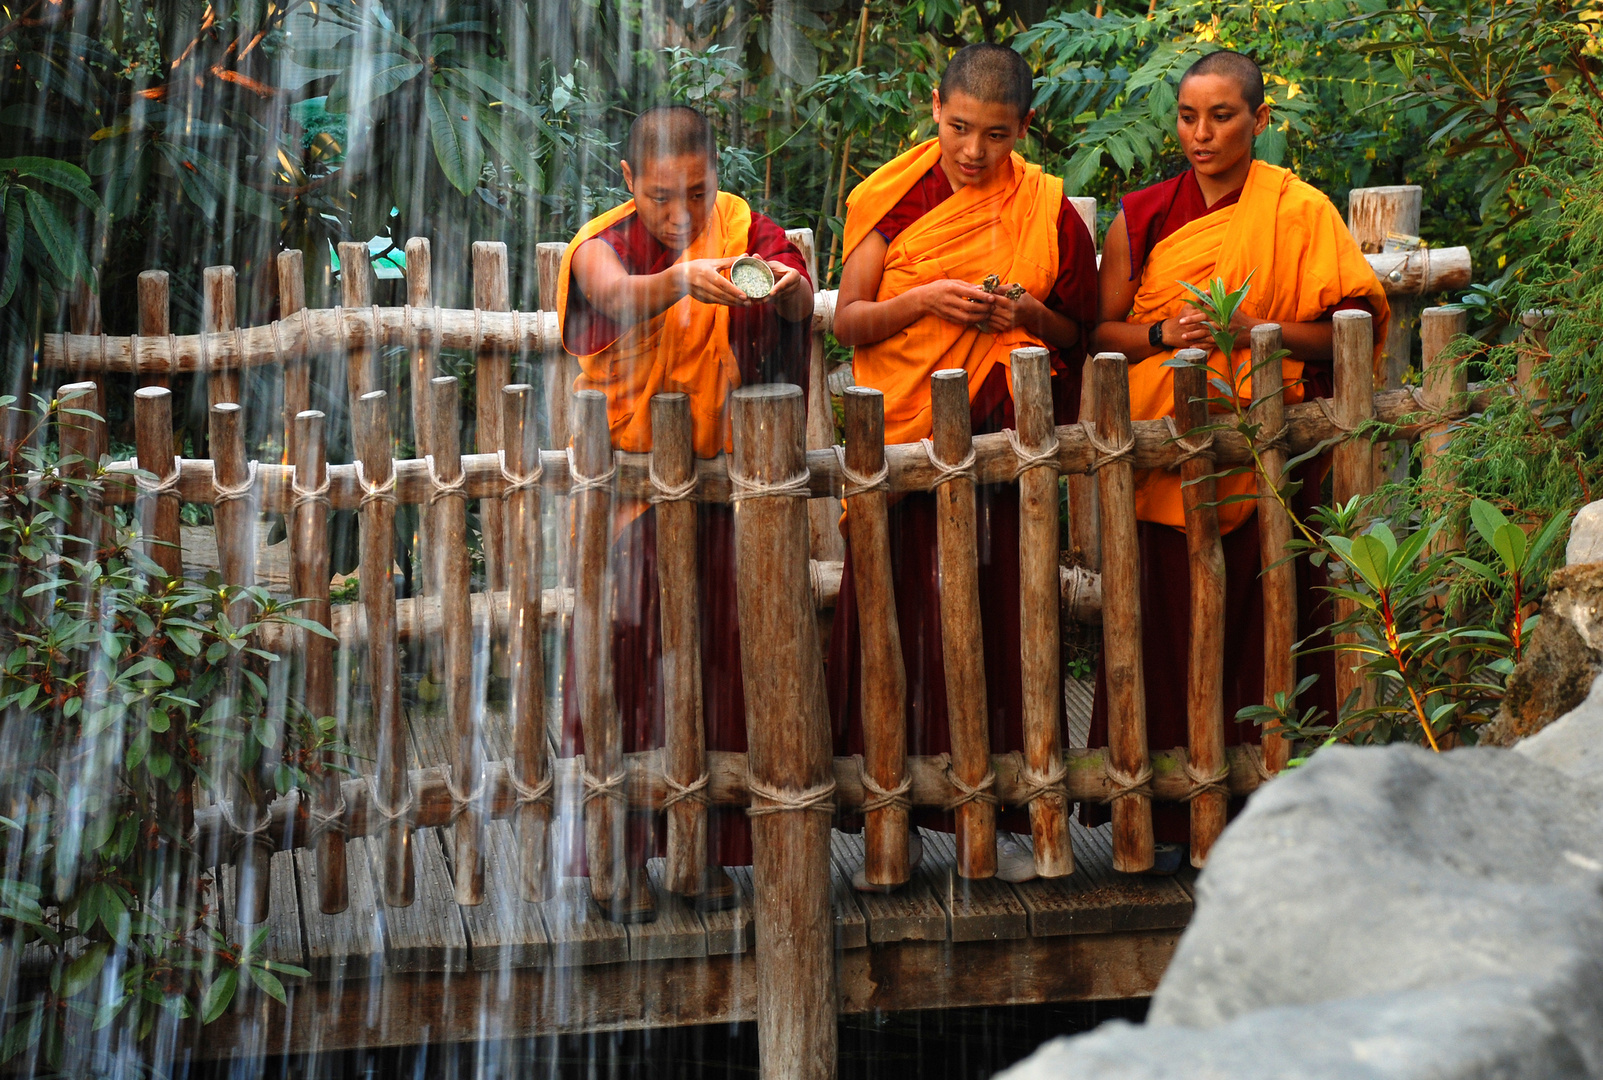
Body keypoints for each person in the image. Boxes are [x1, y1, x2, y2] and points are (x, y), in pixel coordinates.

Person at [1084, 49, 1389, 870]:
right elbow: (1098, 333)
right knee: (1171, 624)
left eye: (1221, 116)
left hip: (1273, 458)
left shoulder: (1299, 211)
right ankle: (1172, 826)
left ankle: (1278, 822)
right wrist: (1159, 335)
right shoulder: (1143, 213)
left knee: (1273, 628)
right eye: (1187, 116)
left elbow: (1345, 331)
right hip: (1167, 458)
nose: (1201, 133)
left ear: (1258, 120)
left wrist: (1253, 327)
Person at [827, 42, 1098, 889]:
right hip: (904, 439)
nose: (973, 152)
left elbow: (1078, 335)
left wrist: (1025, 311)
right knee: (896, 614)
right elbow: (850, 322)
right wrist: (922, 301)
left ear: (1022, 127)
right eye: (957, 128)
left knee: (1008, 616)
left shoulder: (1049, 210)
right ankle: (891, 818)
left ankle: (1009, 817)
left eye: (994, 134)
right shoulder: (889, 198)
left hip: (1003, 437)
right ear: (932, 106)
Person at [556, 104, 814, 921]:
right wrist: (680, 282)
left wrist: (786, 291)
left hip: (719, 484)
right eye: (660, 196)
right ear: (629, 182)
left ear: (717, 175)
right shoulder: (601, 245)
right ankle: (612, 865)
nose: (679, 216)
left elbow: (803, 310)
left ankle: (703, 859)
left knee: (719, 666)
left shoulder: (744, 229)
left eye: (696, 194)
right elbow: (614, 295)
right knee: (620, 672)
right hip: (624, 490)